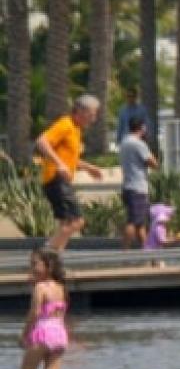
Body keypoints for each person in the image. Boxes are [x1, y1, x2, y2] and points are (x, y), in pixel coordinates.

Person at [34, 94, 106, 252]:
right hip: (56, 179)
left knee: (66, 225)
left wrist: (89, 168)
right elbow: (41, 141)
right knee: (76, 222)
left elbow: (69, 160)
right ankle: (44, 255)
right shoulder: (65, 124)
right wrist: (59, 164)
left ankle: (55, 262)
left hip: (60, 180)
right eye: (92, 114)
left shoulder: (76, 129)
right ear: (81, 111)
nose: (93, 119)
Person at [19, 249, 70, 369]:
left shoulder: (40, 288)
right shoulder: (61, 287)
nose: (32, 268)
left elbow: (34, 313)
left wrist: (24, 334)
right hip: (60, 334)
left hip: (43, 333)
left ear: (49, 266)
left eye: (35, 264)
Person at [117, 115, 159, 251]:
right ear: (142, 127)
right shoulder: (139, 144)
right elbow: (153, 164)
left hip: (127, 186)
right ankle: (124, 253)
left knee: (140, 223)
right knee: (133, 222)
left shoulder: (124, 142)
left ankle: (149, 254)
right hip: (138, 188)